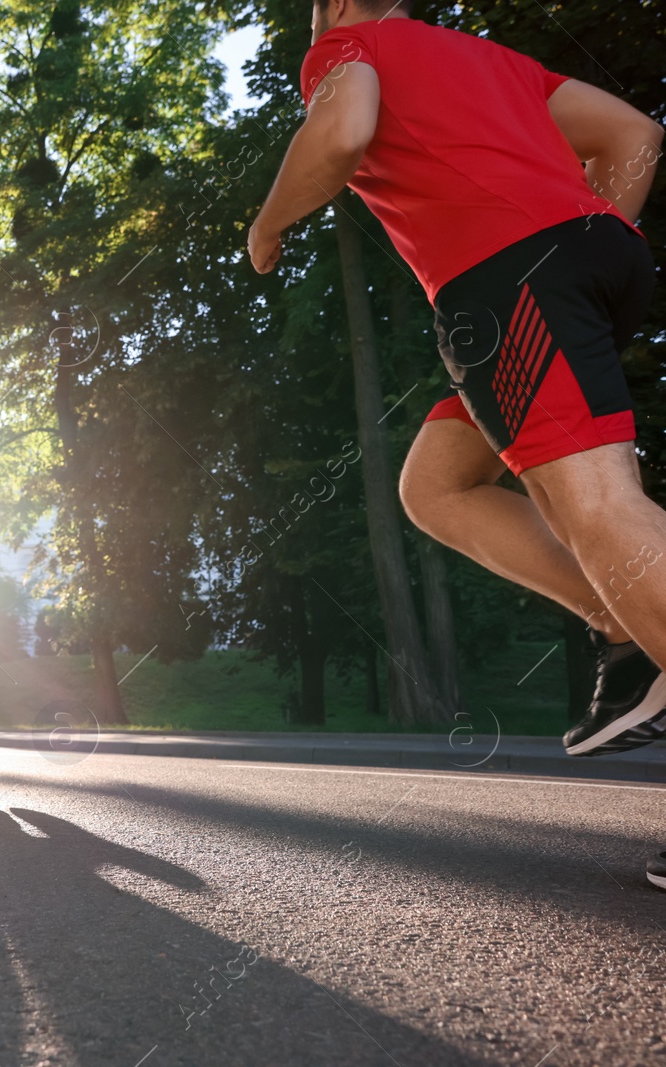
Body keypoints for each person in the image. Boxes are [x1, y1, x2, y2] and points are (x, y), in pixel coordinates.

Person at [249, 0, 664, 887]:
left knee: (601, 511)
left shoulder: (345, 43)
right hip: (581, 266)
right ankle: (625, 634)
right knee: (436, 483)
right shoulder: (481, 59)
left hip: (510, 286)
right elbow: (634, 133)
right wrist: (589, 240)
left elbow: (344, 130)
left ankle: (635, 628)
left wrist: (269, 221)